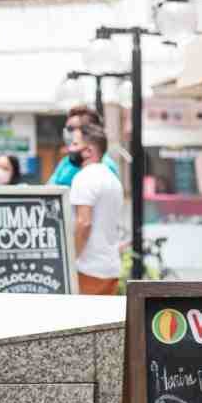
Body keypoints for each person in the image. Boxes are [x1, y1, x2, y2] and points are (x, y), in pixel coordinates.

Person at [69, 124, 123, 296]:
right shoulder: (112, 179)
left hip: (88, 269)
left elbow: (84, 223)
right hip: (110, 268)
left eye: (75, 144)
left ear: (89, 151)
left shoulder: (84, 177)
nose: (70, 149)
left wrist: (70, 259)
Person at [48, 106, 119, 186]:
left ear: (89, 130)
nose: (67, 133)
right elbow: (50, 188)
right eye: (67, 128)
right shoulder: (66, 162)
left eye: (71, 128)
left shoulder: (105, 166)